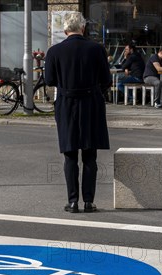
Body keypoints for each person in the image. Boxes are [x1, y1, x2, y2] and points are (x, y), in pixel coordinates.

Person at [44, 12, 112, 214]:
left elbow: (49, 80)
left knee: (70, 155)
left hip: (66, 103)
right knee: (90, 155)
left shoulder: (54, 51)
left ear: (65, 30)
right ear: (83, 28)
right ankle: (89, 201)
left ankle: (72, 201)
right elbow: (106, 80)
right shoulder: (97, 49)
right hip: (91, 103)